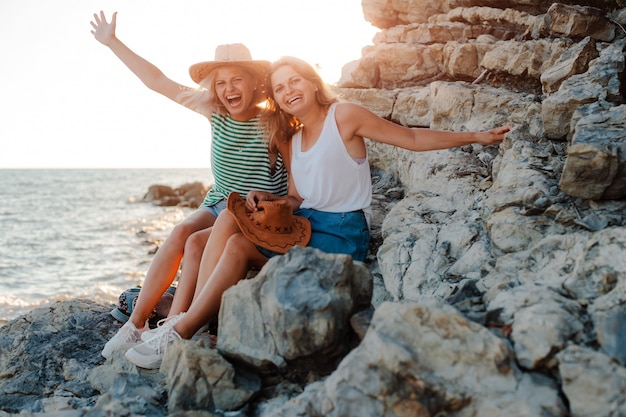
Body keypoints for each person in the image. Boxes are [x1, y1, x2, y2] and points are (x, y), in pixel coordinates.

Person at [122, 56, 511, 369]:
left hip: (343, 229)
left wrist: (476, 136)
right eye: (280, 87)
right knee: (229, 220)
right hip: (307, 224)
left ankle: (183, 329)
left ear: (311, 82)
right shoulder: (290, 138)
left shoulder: (344, 115)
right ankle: (186, 321)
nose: (288, 90)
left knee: (236, 243)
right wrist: (264, 199)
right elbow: (294, 197)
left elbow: (409, 138)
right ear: (274, 97)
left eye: (294, 81)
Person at [91, 11, 289, 360]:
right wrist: (112, 42)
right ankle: (136, 325)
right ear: (214, 88)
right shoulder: (212, 109)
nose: (229, 89)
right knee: (182, 231)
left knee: (197, 243)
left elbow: (295, 178)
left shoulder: (274, 120)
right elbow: (156, 80)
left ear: (256, 82)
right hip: (217, 204)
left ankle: (177, 323)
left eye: (237, 80)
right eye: (221, 82)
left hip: (252, 213)